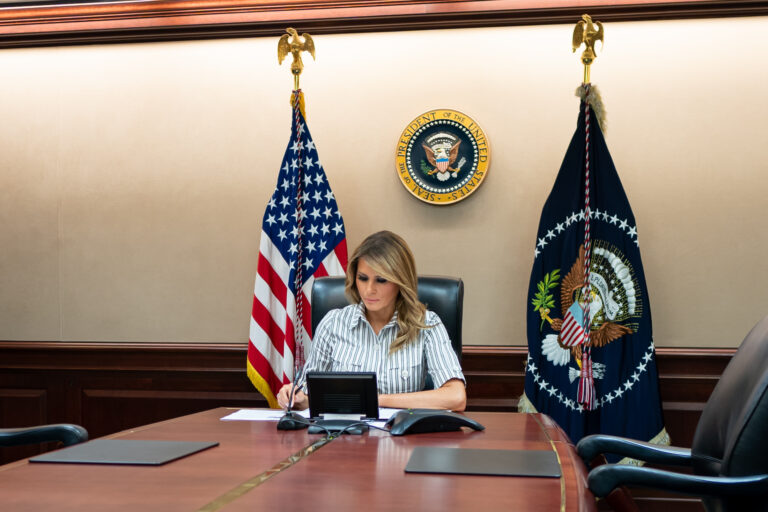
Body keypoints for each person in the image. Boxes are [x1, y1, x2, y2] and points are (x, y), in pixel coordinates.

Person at [276, 230, 466, 411]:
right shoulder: (333, 323)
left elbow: (456, 397)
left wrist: (376, 400)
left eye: (381, 280)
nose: (369, 290)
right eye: (363, 278)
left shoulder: (426, 324)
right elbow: (310, 395)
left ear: (401, 282)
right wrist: (295, 398)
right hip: (345, 437)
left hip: (402, 439)